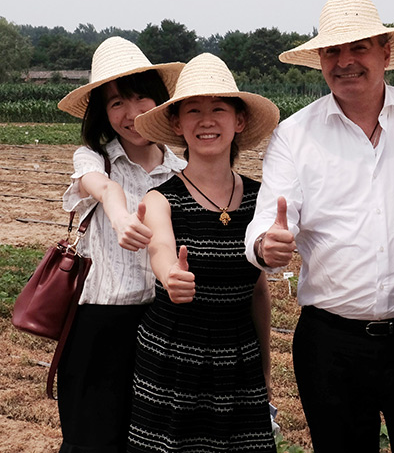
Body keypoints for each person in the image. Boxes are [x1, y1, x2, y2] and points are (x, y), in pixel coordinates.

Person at [244, 0, 394, 453]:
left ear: (385, 52)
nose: (345, 61)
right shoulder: (295, 135)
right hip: (331, 343)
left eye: (359, 48)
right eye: (333, 51)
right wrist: (265, 245)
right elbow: (266, 222)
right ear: (319, 59)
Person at [129, 53, 279, 452]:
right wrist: (169, 275)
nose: (206, 120)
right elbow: (159, 246)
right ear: (177, 124)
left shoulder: (259, 199)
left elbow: (258, 292)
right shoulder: (162, 198)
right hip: (173, 357)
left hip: (239, 358)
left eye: (218, 109)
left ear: (239, 121)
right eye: (193, 110)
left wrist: (265, 368)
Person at [56, 36, 185, 453]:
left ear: (159, 100)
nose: (131, 114)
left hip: (164, 326)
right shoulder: (94, 159)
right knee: (92, 441)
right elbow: (101, 187)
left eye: (139, 97)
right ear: (103, 115)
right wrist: (118, 210)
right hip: (99, 328)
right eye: (115, 104)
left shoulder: (182, 171)